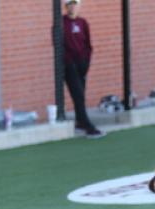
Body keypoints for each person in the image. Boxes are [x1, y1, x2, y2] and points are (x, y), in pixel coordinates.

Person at [62, 0, 105, 138]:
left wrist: (86, 61)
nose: (73, 7)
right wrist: (69, 62)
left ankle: (80, 122)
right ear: (66, 7)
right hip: (69, 66)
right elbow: (59, 46)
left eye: (75, 4)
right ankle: (87, 125)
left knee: (80, 96)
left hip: (81, 65)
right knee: (78, 95)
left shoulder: (83, 22)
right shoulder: (61, 23)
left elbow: (88, 44)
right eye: (70, 5)